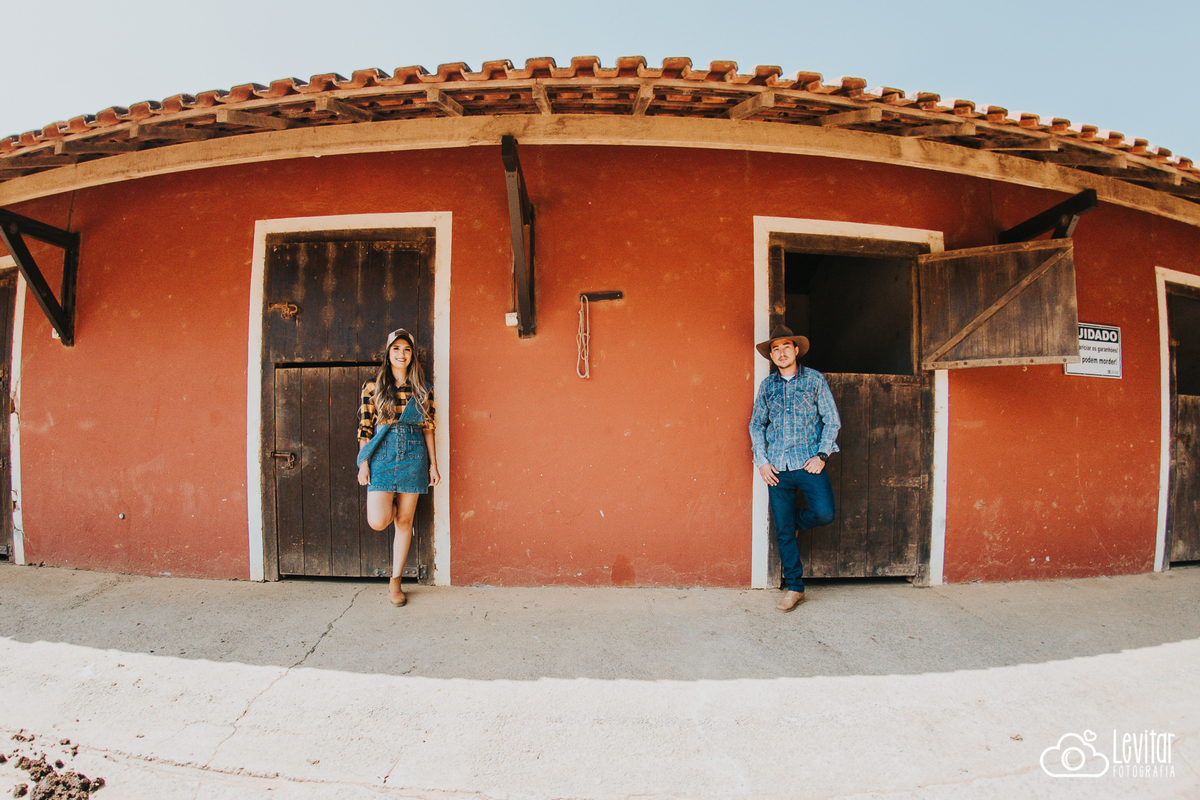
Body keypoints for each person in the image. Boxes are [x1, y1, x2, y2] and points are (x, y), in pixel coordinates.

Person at [749, 326, 840, 612]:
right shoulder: (768, 386)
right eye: (775, 349)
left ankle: (795, 521)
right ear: (772, 355)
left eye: (786, 346)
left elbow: (832, 420)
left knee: (824, 513)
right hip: (776, 466)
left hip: (807, 462)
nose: (781, 352)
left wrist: (822, 455)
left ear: (796, 350)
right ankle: (795, 588)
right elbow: (756, 425)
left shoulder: (814, 380)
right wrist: (762, 461)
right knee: (783, 531)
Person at [357, 329, 440, 607]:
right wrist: (363, 462)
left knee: (405, 522)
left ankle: (395, 582)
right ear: (388, 353)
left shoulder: (423, 388)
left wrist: (433, 465)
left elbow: (428, 428)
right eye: (396, 349)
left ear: (412, 354)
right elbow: (365, 428)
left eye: (406, 349)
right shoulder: (373, 387)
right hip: (381, 455)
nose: (401, 354)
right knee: (378, 521)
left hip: (414, 454)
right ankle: (389, 505)